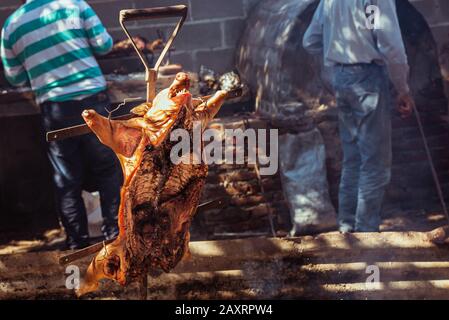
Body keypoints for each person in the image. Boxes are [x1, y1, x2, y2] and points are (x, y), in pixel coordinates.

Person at [1, 0, 122, 249]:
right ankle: (115, 233)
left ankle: (77, 243)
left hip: (55, 109)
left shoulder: (12, 25)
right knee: (108, 169)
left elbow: (15, 77)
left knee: (67, 179)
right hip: (92, 101)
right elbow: (104, 44)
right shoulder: (74, 5)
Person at [303, 0, 414, 232]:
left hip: (342, 80)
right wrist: (403, 89)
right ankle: (366, 234)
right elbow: (391, 46)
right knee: (375, 163)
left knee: (353, 158)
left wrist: (338, 60)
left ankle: (347, 227)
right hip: (369, 77)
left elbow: (310, 40)